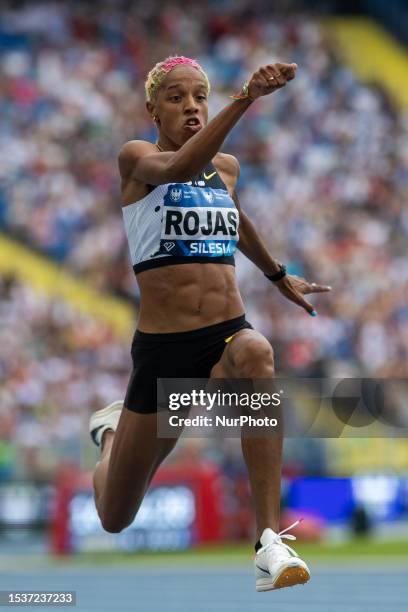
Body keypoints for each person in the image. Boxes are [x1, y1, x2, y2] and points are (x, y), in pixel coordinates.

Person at [89, 55, 331, 591]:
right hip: (163, 353)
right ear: (153, 110)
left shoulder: (225, 168)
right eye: (176, 98)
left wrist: (277, 274)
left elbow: (237, 218)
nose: (192, 106)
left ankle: (268, 540)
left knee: (257, 353)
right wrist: (243, 98)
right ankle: (109, 434)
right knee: (114, 515)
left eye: (200, 95)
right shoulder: (137, 158)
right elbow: (177, 170)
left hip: (224, 333)